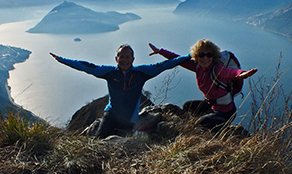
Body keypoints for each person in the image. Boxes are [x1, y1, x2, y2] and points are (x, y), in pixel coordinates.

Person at [50, 44, 191, 138]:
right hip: (111, 115)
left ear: (133, 59)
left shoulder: (141, 73)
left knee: (124, 145)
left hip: (130, 119)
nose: (125, 60)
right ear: (116, 59)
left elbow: (165, 65)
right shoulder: (109, 72)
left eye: (128, 57)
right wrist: (62, 60)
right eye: (121, 57)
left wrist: (190, 56)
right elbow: (87, 67)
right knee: (98, 141)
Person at [148, 40, 258, 131]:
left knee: (201, 123)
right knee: (188, 106)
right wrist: (160, 51)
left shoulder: (217, 69)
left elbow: (230, 73)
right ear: (196, 56)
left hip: (225, 111)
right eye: (201, 54)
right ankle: (210, 122)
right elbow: (178, 60)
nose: (205, 58)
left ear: (213, 56)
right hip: (212, 106)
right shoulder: (197, 67)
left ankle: (218, 127)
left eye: (209, 54)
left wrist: (242, 74)